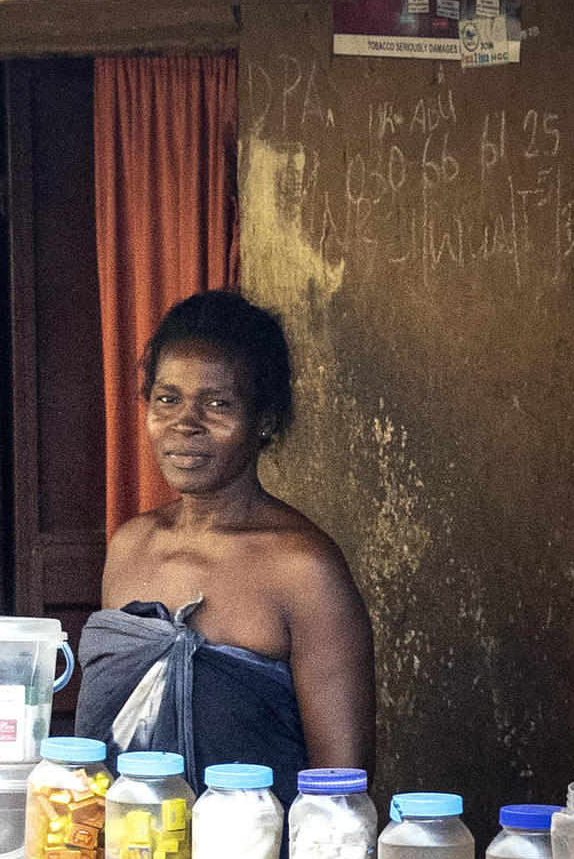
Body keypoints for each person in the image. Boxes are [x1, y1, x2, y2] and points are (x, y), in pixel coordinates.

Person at [77, 290, 374, 783]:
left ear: (265, 420)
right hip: (125, 852)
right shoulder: (131, 548)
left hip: (254, 857)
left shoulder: (303, 569)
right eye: (166, 398)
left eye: (217, 404)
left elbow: (341, 790)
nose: (184, 424)